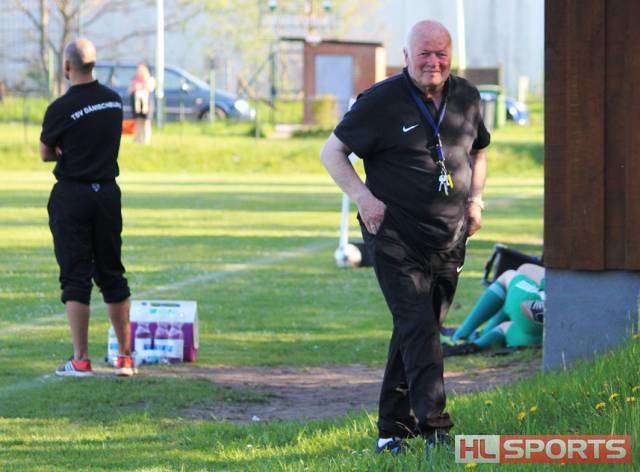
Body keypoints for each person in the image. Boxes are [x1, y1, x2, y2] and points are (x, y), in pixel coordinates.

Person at [320, 20, 490, 456]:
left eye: (441, 54)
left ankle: (391, 432)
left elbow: (479, 151)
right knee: (419, 328)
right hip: (394, 235)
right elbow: (332, 152)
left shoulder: (468, 97)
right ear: (407, 56)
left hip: (449, 238)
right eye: (424, 53)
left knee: (416, 331)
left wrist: (476, 201)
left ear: (451, 56)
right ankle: (435, 430)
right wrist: (363, 199)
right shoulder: (381, 101)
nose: (433, 62)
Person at [39, 38, 135, 377]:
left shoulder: (60, 108)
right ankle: (125, 358)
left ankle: (81, 359)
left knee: (75, 275)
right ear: (94, 64)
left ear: (67, 66)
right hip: (107, 193)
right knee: (112, 272)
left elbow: (45, 152)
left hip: (73, 194)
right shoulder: (113, 101)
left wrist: (64, 150)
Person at [446, 264, 545, 354]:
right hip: (538, 337)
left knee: (510, 275)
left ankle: (461, 335)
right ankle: (475, 343)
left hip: (535, 307)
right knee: (505, 327)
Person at [128, 63, 155, 144]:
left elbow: (150, 88)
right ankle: (137, 139)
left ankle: (146, 139)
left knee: (146, 121)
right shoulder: (134, 79)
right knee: (138, 121)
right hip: (136, 104)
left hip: (147, 104)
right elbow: (130, 90)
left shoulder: (150, 79)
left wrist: (141, 86)